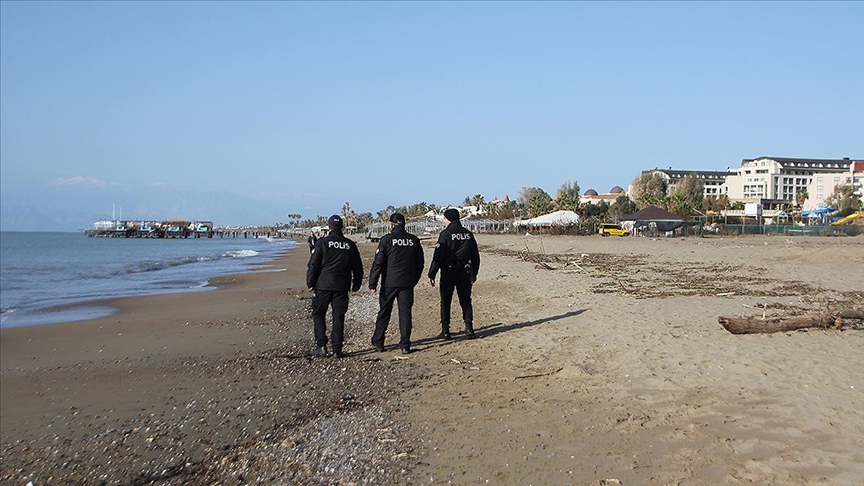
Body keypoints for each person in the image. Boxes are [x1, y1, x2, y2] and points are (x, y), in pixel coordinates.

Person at [306, 215, 364, 358]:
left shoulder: (322, 243)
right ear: (342, 227)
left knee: (319, 314)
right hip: (341, 286)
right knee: (338, 317)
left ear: (329, 227)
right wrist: (356, 284)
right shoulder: (349, 244)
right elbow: (358, 267)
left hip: (323, 285)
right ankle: (337, 349)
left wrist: (310, 282)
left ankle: (321, 346)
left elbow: (313, 264)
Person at [368, 213, 424, 354]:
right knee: (405, 313)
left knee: (384, 312)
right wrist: (414, 279)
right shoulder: (413, 240)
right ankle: (405, 344)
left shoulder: (386, 240)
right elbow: (420, 263)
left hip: (389, 282)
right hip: (407, 282)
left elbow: (378, 263)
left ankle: (379, 341)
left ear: (391, 225)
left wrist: (373, 283)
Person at [428, 208, 480, 340]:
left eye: (445, 219)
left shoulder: (445, 234)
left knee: (446, 301)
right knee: (466, 300)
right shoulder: (468, 234)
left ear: (449, 219)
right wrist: (474, 273)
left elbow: (438, 256)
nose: (444, 221)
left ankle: (446, 330)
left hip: (449, 271)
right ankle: (469, 327)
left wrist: (432, 273)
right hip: (465, 271)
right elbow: (475, 255)